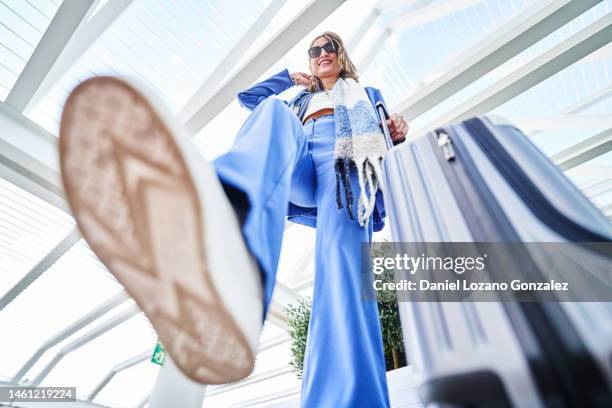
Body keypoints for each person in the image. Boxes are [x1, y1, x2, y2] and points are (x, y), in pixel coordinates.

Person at [58, 31, 407, 407]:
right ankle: (230, 213)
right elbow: (249, 99)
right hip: (301, 157)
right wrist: (289, 78)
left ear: (342, 54)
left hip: (345, 170)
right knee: (273, 113)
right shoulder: (299, 98)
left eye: (329, 47)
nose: (321, 54)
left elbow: (383, 135)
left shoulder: (366, 95)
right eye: (314, 50)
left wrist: (396, 131)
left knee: (341, 275)